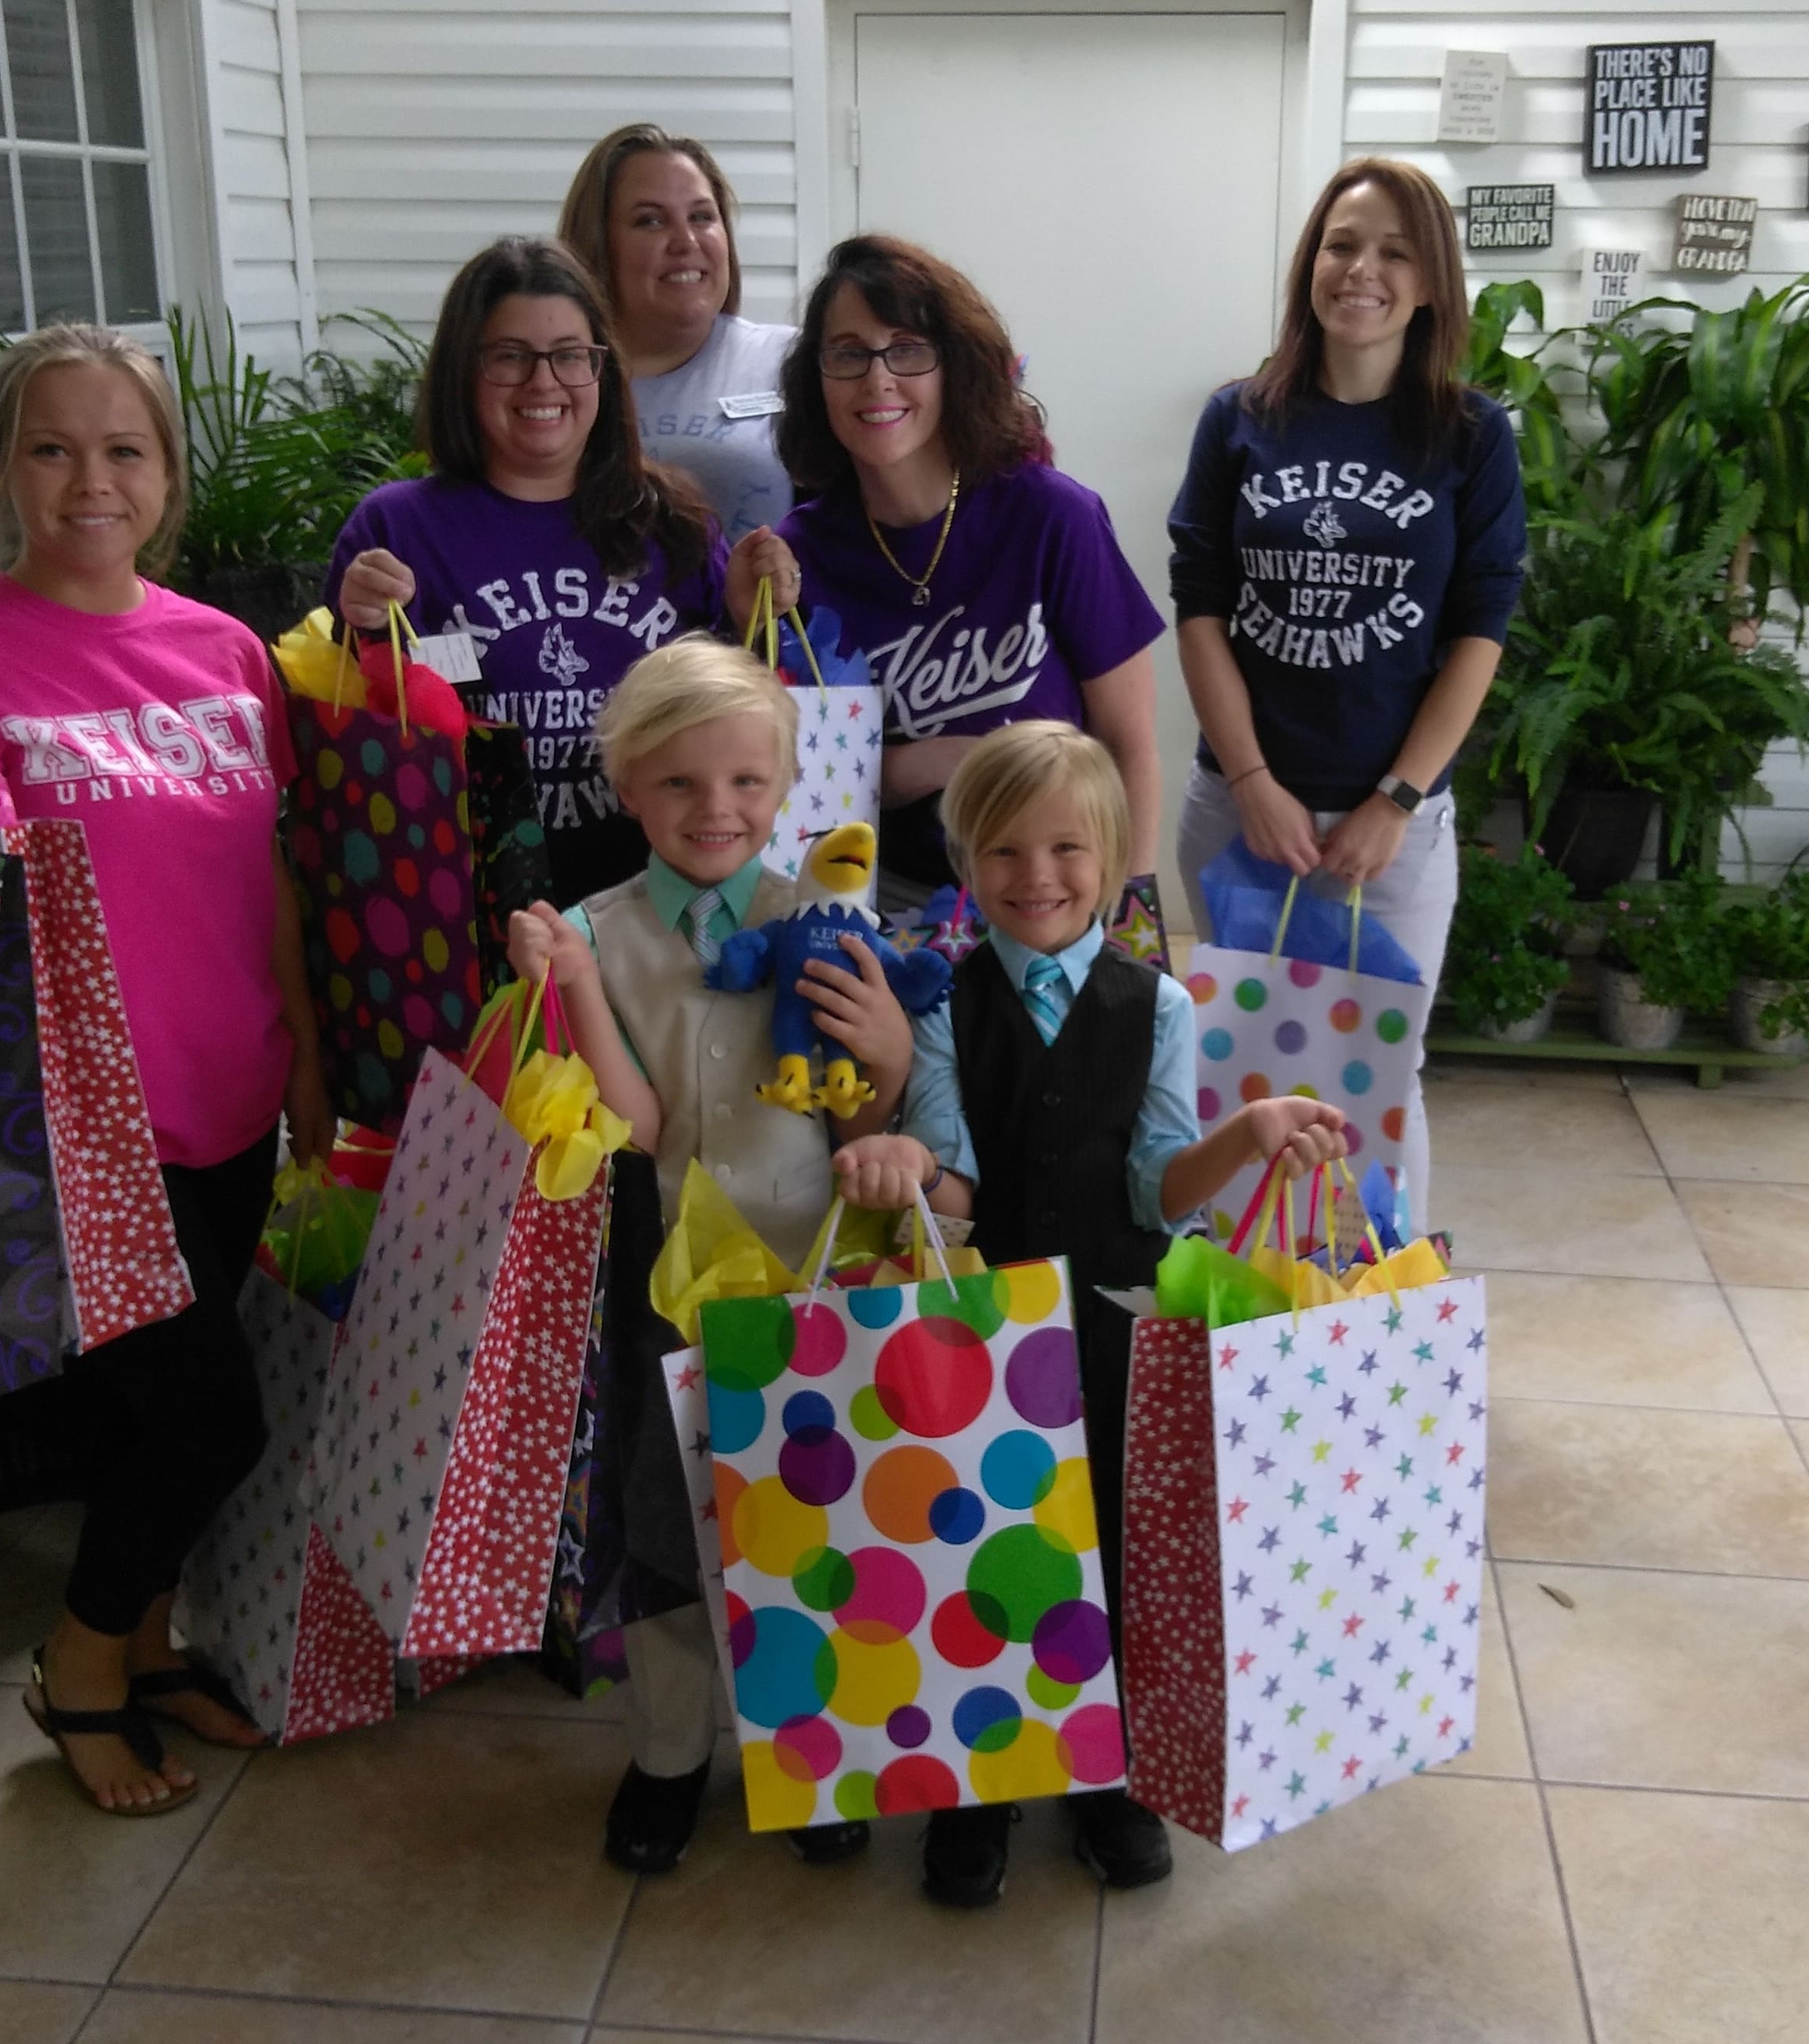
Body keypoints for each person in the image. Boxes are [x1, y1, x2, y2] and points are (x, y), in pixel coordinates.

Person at [0, 323, 330, 1816]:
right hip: (75, 1138)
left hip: (234, 1094)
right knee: (207, 1420)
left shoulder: (226, 649)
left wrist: (301, 1058)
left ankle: (155, 1637)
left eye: (124, 448)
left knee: (144, 1422)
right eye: (52, 447)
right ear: (2, 471)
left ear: (166, 473)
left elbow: (273, 880)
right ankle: (82, 1666)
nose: (90, 479)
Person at [836, 721, 1346, 1910]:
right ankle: (985, 1782)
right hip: (990, 1326)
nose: (1037, 878)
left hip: (1115, 1321)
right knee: (988, 1549)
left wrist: (1247, 1135)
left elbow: (1156, 1182)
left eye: (1067, 848)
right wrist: (905, 1155)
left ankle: (1106, 1773)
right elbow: (958, 1187)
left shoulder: (1157, 1004)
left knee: (1109, 1549)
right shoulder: (945, 1001)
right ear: (966, 862)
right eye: (1004, 852)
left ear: (1115, 856)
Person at [509, 638, 916, 1878]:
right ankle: (671, 1752)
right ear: (629, 787)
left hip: (810, 1275)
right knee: (667, 1528)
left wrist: (890, 1052)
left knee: (817, 1524)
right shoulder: (597, 934)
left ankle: (820, 1749)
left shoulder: (826, 920)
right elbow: (635, 1129)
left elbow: (862, 1116)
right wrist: (575, 985)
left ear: (787, 787)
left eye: (746, 782)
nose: (716, 811)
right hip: (665, 1285)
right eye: (680, 785)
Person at [1167, 158, 1526, 1230]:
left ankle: (1373, 1310)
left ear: (1429, 284)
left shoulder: (1471, 437)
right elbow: (1200, 610)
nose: (1359, 269)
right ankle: (1241, 1306)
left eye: (1392, 251)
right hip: (1243, 814)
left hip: (1393, 833)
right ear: (1309, 264)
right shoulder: (1238, 418)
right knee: (1241, 1077)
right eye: (1340, 244)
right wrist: (1252, 779)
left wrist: (1398, 800)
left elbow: (1480, 630)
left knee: (1380, 1077)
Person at [328, 236, 777, 907]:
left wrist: (747, 620)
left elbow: (736, 725)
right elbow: (359, 739)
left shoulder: (673, 522)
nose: (545, 382)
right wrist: (359, 627)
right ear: (464, 371)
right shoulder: (395, 532)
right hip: (470, 912)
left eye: (571, 356)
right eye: (511, 357)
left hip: (656, 909)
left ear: (602, 370)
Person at [744, 235, 1166, 914]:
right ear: (817, 380)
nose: (877, 378)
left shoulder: (1053, 516)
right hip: (882, 906)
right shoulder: (799, 556)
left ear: (955, 367)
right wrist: (935, 760)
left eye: (907, 347)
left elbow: (1131, 745)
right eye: (849, 353)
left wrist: (1127, 920)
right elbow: (796, 782)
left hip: (1054, 902)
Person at [559, 124, 795, 540]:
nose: (685, 241)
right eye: (650, 221)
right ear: (597, 244)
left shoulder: (794, 361)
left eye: (702, 217)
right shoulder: (554, 383)